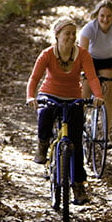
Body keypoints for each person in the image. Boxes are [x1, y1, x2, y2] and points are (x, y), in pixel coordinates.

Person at [28, 16, 104, 205]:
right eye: (67, 34)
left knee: (76, 143)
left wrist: (97, 95)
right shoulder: (47, 54)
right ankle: (43, 145)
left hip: (73, 97)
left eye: (73, 34)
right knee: (44, 113)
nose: (71, 37)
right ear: (57, 35)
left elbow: (92, 78)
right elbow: (34, 78)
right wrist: (31, 96)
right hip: (50, 94)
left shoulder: (83, 55)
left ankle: (78, 185)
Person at [78, 0, 112, 136]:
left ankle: (106, 133)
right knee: (84, 95)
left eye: (108, 16)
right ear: (97, 15)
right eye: (102, 16)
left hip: (108, 61)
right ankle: (79, 125)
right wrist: (80, 71)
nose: (105, 19)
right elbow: (81, 52)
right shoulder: (89, 28)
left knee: (107, 96)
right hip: (89, 60)